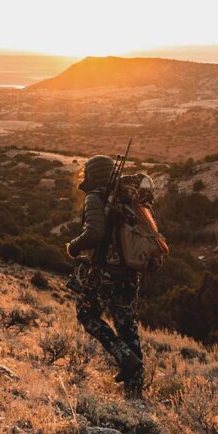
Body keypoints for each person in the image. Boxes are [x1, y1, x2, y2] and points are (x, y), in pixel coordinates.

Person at [65, 154, 146, 396]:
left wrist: (73, 247)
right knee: (127, 326)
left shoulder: (95, 197)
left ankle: (123, 357)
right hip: (130, 272)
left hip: (104, 273)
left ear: (93, 173)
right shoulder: (129, 197)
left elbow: (95, 233)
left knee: (87, 315)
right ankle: (135, 390)